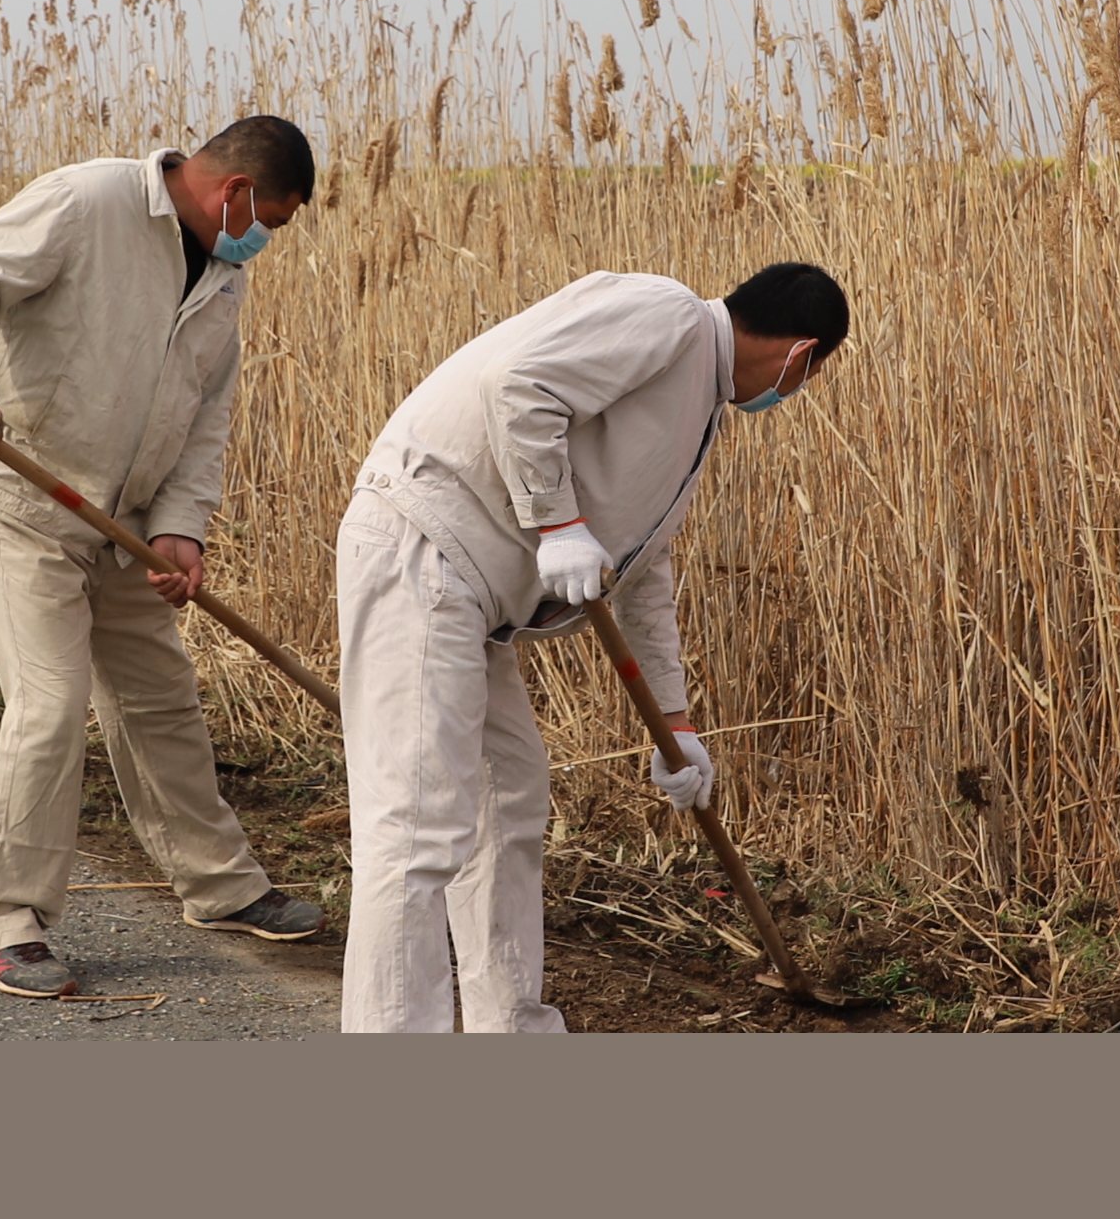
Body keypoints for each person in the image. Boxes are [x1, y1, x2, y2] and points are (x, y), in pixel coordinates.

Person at [336, 262, 848, 1034]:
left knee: (509, 798)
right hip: (423, 546)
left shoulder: (697, 410)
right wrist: (557, 523)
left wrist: (675, 723)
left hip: (476, 593)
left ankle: (511, 1029)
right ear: (802, 356)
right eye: (807, 377)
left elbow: (644, 570)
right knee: (416, 826)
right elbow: (516, 384)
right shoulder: (670, 318)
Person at [0, 119, 329, 998]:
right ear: (236, 194)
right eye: (272, 221)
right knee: (52, 703)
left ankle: (218, 886)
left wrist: (184, 526)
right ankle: (3, 926)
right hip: (27, 497)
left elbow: (206, 409)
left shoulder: (224, 271)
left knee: (162, 698)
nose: (267, 242)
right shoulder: (90, 200)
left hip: (128, 523)